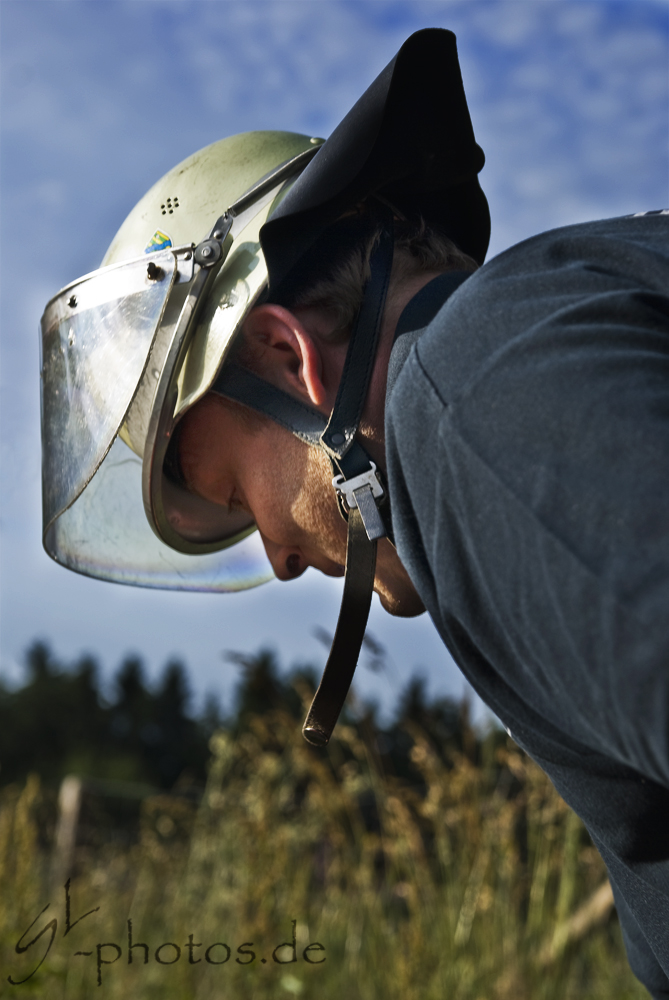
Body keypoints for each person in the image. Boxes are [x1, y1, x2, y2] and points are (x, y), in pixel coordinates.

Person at [40, 28, 669, 995]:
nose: (282, 560)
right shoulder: (559, 316)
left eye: (236, 492)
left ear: (291, 357)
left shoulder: (468, 398)